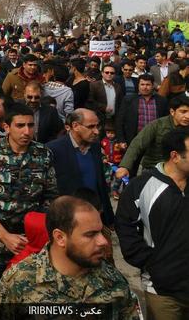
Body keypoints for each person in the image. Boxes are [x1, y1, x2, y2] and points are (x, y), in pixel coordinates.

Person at [0, 196, 141, 319]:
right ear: (60, 237)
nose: (103, 241)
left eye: (101, 232)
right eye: (90, 234)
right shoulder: (19, 281)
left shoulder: (114, 281)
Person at [0, 103, 58, 307]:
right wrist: (4, 236)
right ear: (6, 127)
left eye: (30, 125)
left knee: (24, 299)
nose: (27, 131)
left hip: (30, 241)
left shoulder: (43, 155)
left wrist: (36, 232)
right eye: (20, 125)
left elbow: (51, 196)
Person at [116, 129, 189, 320]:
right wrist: (151, 263)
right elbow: (125, 227)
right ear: (175, 156)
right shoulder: (141, 186)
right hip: (162, 290)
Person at [46, 109, 114, 225]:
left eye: (98, 126)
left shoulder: (96, 148)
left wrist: (109, 217)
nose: (96, 131)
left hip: (95, 215)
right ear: (75, 126)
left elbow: (101, 185)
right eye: (91, 127)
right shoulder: (54, 150)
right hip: (69, 219)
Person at [116, 94, 189, 179]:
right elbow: (137, 144)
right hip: (153, 169)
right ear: (172, 112)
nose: (187, 116)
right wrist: (125, 166)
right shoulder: (157, 125)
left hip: (181, 172)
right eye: (183, 112)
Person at [115, 74, 169, 148]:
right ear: (138, 85)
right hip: (133, 141)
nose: (145, 87)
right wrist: (121, 140)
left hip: (155, 141)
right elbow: (120, 121)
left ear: (153, 85)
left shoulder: (162, 101)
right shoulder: (128, 100)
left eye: (148, 84)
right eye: (142, 84)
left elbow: (166, 121)